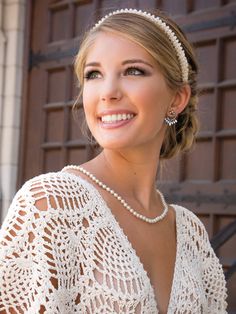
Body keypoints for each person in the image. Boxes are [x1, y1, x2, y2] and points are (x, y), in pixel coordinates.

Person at [0, 8, 227, 314]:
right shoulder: (49, 206)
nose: (107, 92)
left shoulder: (191, 233)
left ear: (177, 99)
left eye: (133, 71)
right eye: (94, 74)